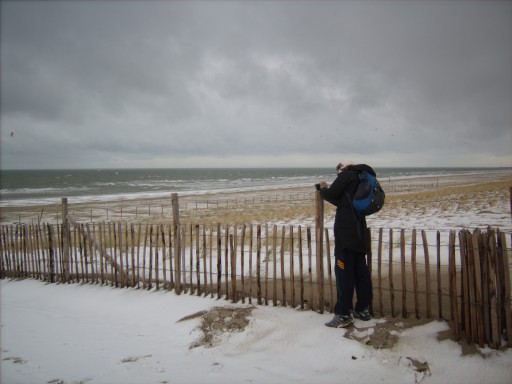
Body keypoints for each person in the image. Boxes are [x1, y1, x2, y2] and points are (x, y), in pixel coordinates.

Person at [318, 162, 374, 328]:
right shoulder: (362, 178)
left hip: (346, 236)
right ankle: (363, 309)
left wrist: (322, 190)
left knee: (343, 274)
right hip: (359, 234)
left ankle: (343, 314)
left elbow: (332, 193)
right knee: (360, 273)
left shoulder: (347, 176)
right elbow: (343, 200)